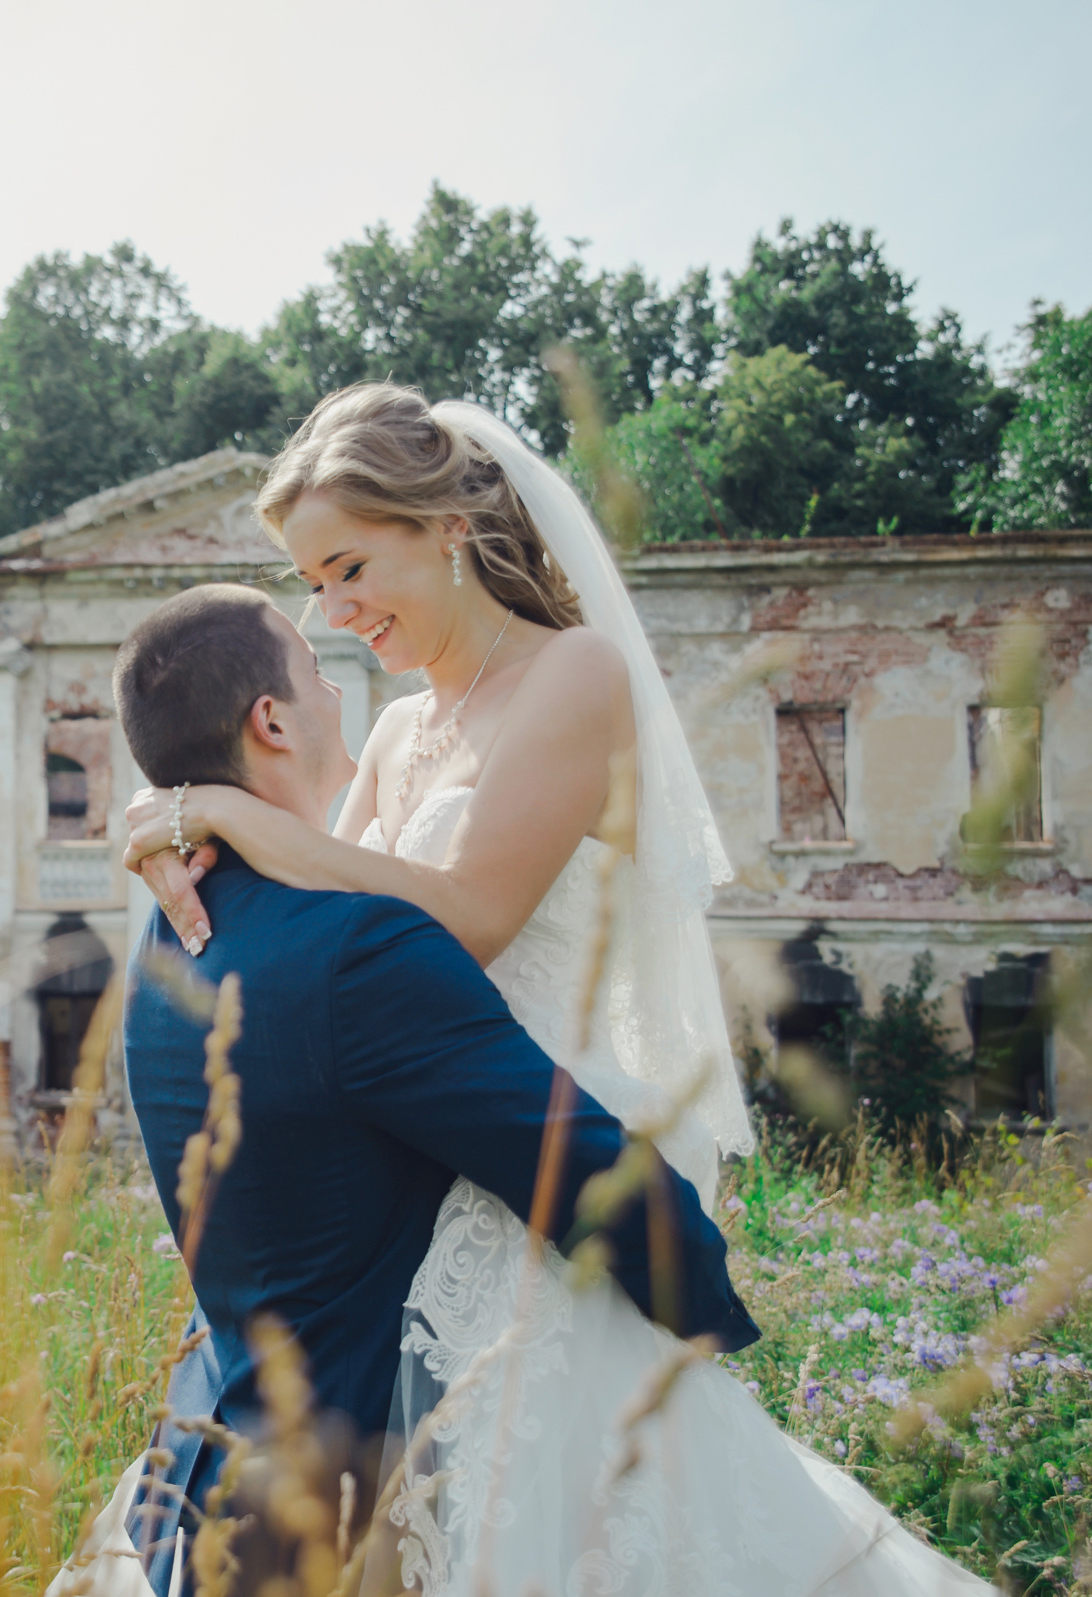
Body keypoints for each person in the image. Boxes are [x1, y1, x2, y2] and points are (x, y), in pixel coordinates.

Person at [90, 384, 995, 1595]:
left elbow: (463, 915)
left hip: (540, 1164)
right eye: (312, 585)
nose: (335, 610)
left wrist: (224, 810)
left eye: (350, 567)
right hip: (423, 1179)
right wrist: (169, 821)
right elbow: (314, 905)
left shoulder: (576, 675)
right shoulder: (407, 729)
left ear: (448, 526)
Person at [47, 582, 757, 1597]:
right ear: (272, 720)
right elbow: (571, 1164)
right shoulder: (362, 950)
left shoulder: (170, 929)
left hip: (201, 1468)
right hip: (346, 1507)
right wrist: (705, 1300)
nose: (344, 688)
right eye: (314, 669)